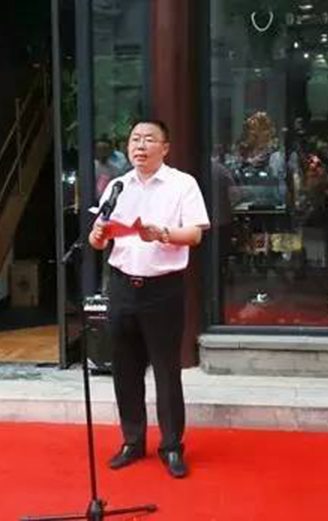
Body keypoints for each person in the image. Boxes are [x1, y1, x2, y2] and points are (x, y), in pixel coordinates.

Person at [88, 120, 210, 478]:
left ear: (165, 147)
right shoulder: (117, 186)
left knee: (166, 370)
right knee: (124, 369)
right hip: (122, 286)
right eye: (135, 140)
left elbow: (195, 234)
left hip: (163, 289)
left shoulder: (182, 184)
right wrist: (98, 234)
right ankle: (132, 440)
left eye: (149, 140)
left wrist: (162, 234)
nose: (140, 146)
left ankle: (171, 446)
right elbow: (98, 241)